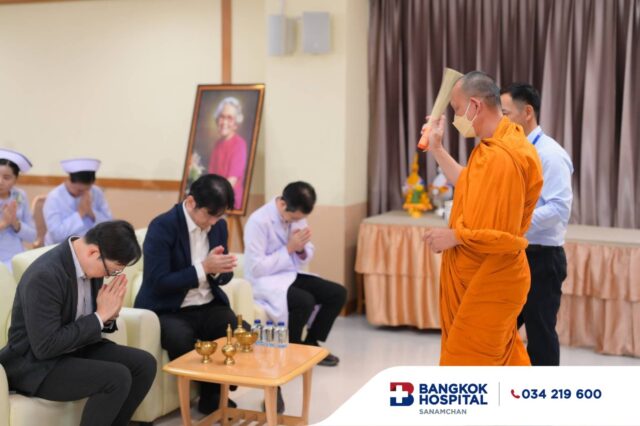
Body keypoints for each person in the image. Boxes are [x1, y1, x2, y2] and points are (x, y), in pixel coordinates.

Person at [421, 71, 543, 366]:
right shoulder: (498, 145)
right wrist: (436, 148)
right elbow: (467, 183)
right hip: (483, 273)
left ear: (475, 105)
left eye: (457, 109)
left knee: (470, 367)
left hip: (491, 276)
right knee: (500, 363)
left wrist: (453, 236)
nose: (455, 118)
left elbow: (502, 237)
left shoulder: (503, 156)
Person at [0, 220, 156, 426]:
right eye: (111, 271)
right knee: (116, 377)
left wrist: (109, 316)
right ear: (93, 252)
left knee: (144, 364)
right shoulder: (45, 275)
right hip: (37, 364)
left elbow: (90, 321)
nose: (109, 276)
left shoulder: (91, 265)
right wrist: (99, 317)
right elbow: (45, 347)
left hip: (76, 348)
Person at [134, 174, 247, 414]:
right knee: (180, 338)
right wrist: (203, 268)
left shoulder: (219, 226)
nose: (213, 222)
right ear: (191, 201)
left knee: (239, 332)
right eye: (210, 215)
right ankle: (210, 393)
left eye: (220, 216)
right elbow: (158, 281)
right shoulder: (163, 226)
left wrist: (218, 271)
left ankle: (215, 393)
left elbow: (224, 274)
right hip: (169, 308)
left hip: (208, 303)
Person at [501, 83, 574, 366]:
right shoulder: (512, 150)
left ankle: (544, 392)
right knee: (500, 330)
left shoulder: (550, 154)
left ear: (527, 112)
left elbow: (558, 208)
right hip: (516, 253)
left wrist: (513, 224)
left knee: (540, 335)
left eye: (505, 113)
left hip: (541, 258)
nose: (501, 121)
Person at [244, 181, 347, 367]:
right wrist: (289, 248)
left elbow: (307, 251)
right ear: (283, 204)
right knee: (304, 301)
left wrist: (300, 250)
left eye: (300, 218)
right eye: (292, 218)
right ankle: (293, 349)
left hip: (289, 274)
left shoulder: (297, 215)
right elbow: (257, 268)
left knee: (337, 293)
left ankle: (311, 343)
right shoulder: (258, 221)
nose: (295, 222)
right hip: (265, 281)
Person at [43, 158, 113, 245]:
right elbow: (56, 236)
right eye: (79, 190)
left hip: (92, 245)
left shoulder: (96, 192)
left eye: (87, 189)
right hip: (61, 247)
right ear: (69, 180)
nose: (84, 193)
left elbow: (109, 226)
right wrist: (81, 213)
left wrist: (91, 213)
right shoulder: (54, 197)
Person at [208, 97, 248, 210]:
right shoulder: (217, 144)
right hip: (215, 198)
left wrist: (210, 201)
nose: (224, 122)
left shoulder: (239, 145)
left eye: (230, 118)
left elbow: (231, 183)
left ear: (236, 123)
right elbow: (211, 177)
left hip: (229, 201)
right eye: (222, 116)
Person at [0, 149, 36, 270]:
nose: (0, 182)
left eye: (6, 177)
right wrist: (4, 223)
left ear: (16, 179)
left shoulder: (19, 196)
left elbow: (32, 236)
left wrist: (15, 224)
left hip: (16, 257)